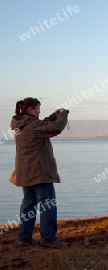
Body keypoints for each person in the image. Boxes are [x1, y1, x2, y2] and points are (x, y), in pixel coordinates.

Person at [10, 97, 69, 248]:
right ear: (30, 109)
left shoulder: (21, 125)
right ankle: (48, 239)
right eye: (37, 109)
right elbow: (55, 128)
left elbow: (44, 124)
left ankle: (24, 238)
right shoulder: (32, 125)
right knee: (48, 204)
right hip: (39, 173)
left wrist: (53, 115)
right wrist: (63, 114)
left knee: (28, 205)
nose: (39, 112)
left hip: (25, 173)